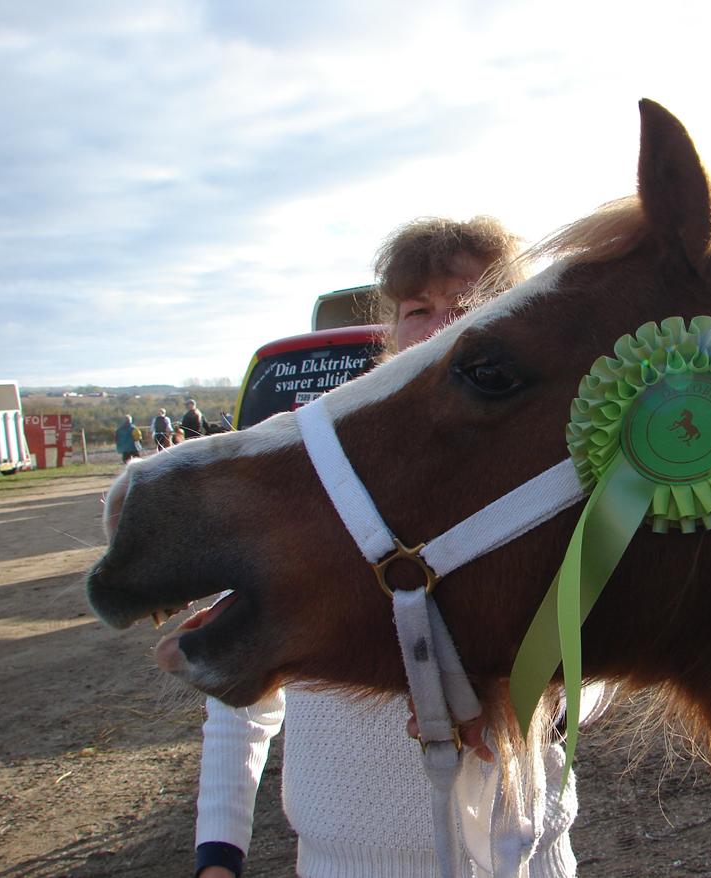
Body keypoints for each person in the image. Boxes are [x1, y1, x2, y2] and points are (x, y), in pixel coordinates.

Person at [195, 217, 586, 878]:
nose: (441, 329)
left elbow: (596, 655)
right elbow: (241, 693)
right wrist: (218, 850)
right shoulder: (307, 467)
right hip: (346, 860)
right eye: (418, 310)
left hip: (522, 858)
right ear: (390, 326)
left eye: (468, 310)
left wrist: (528, 695)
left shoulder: (552, 474)